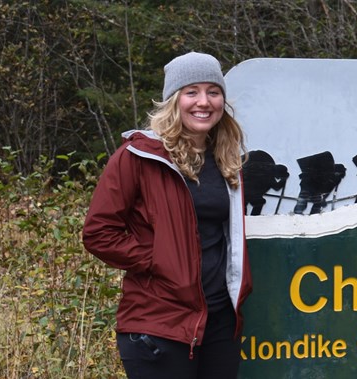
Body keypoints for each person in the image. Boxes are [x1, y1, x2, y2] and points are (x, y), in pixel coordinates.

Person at [83, 51, 251, 378]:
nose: (204, 102)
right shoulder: (138, 157)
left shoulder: (227, 159)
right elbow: (99, 232)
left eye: (213, 92)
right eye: (192, 92)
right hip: (159, 323)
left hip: (219, 322)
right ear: (173, 100)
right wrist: (158, 259)